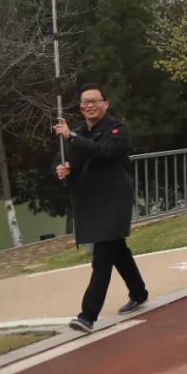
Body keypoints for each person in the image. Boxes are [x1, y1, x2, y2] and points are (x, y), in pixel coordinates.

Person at [55, 84, 149, 334]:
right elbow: (66, 159)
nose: (89, 106)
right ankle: (139, 292)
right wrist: (63, 168)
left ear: (105, 103)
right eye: (85, 102)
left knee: (102, 258)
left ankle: (87, 316)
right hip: (90, 201)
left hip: (114, 201)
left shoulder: (118, 129)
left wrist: (72, 137)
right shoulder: (76, 132)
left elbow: (104, 151)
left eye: (94, 101)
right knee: (118, 251)